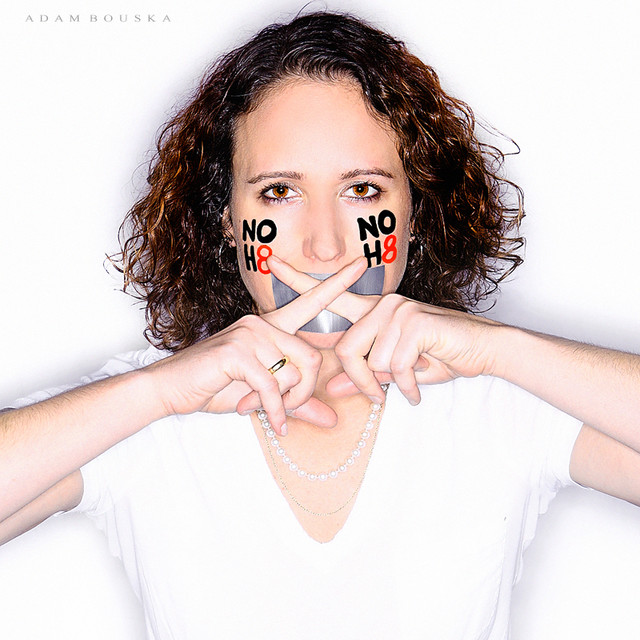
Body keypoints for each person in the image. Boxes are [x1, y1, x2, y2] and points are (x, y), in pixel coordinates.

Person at [1, 10, 639, 639]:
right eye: (280, 191)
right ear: (228, 221)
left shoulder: (500, 399)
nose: (326, 247)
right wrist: (159, 392)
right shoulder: (147, 417)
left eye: (363, 190)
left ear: (414, 212)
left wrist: (501, 350)